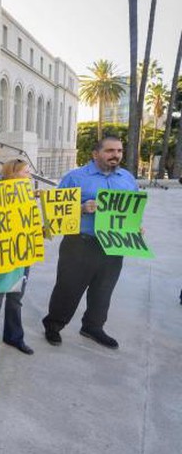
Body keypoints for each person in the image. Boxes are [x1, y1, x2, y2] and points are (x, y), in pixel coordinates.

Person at [42, 136, 138, 349]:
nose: (116, 155)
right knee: (68, 288)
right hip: (80, 243)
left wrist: (136, 226)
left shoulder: (127, 178)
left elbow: (133, 209)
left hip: (114, 244)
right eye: (110, 151)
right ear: (96, 154)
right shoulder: (75, 177)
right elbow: (55, 211)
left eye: (119, 151)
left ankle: (93, 327)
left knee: (103, 290)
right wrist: (81, 208)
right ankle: (54, 325)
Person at [0, 159, 35, 355]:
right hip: (2, 257)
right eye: (26, 172)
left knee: (16, 299)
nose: (29, 176)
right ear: (13, 174)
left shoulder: (29, 195)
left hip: (22, 256)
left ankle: (14, 337)